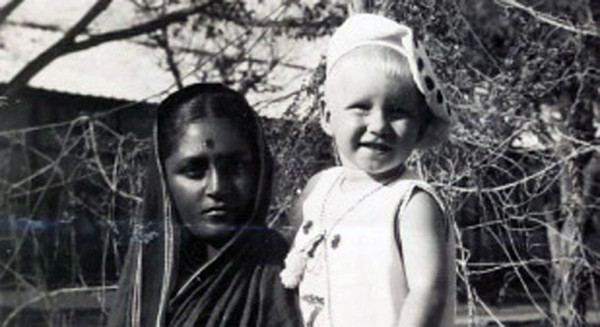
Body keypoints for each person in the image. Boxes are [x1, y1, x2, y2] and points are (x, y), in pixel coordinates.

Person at [280, 14, 455, 327]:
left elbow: (427, 292)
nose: (378, 126)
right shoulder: (317, 189)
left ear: (420, 126)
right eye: (361, 107)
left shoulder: (410, 201)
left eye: (398, 112)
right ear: (327, 115)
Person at [109, 83, 303, 326]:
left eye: (236, 167)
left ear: (260, 170)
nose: (217, 188)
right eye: (194, 171)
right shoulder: (146, 281)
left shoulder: (286, 275)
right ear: (163, 179)